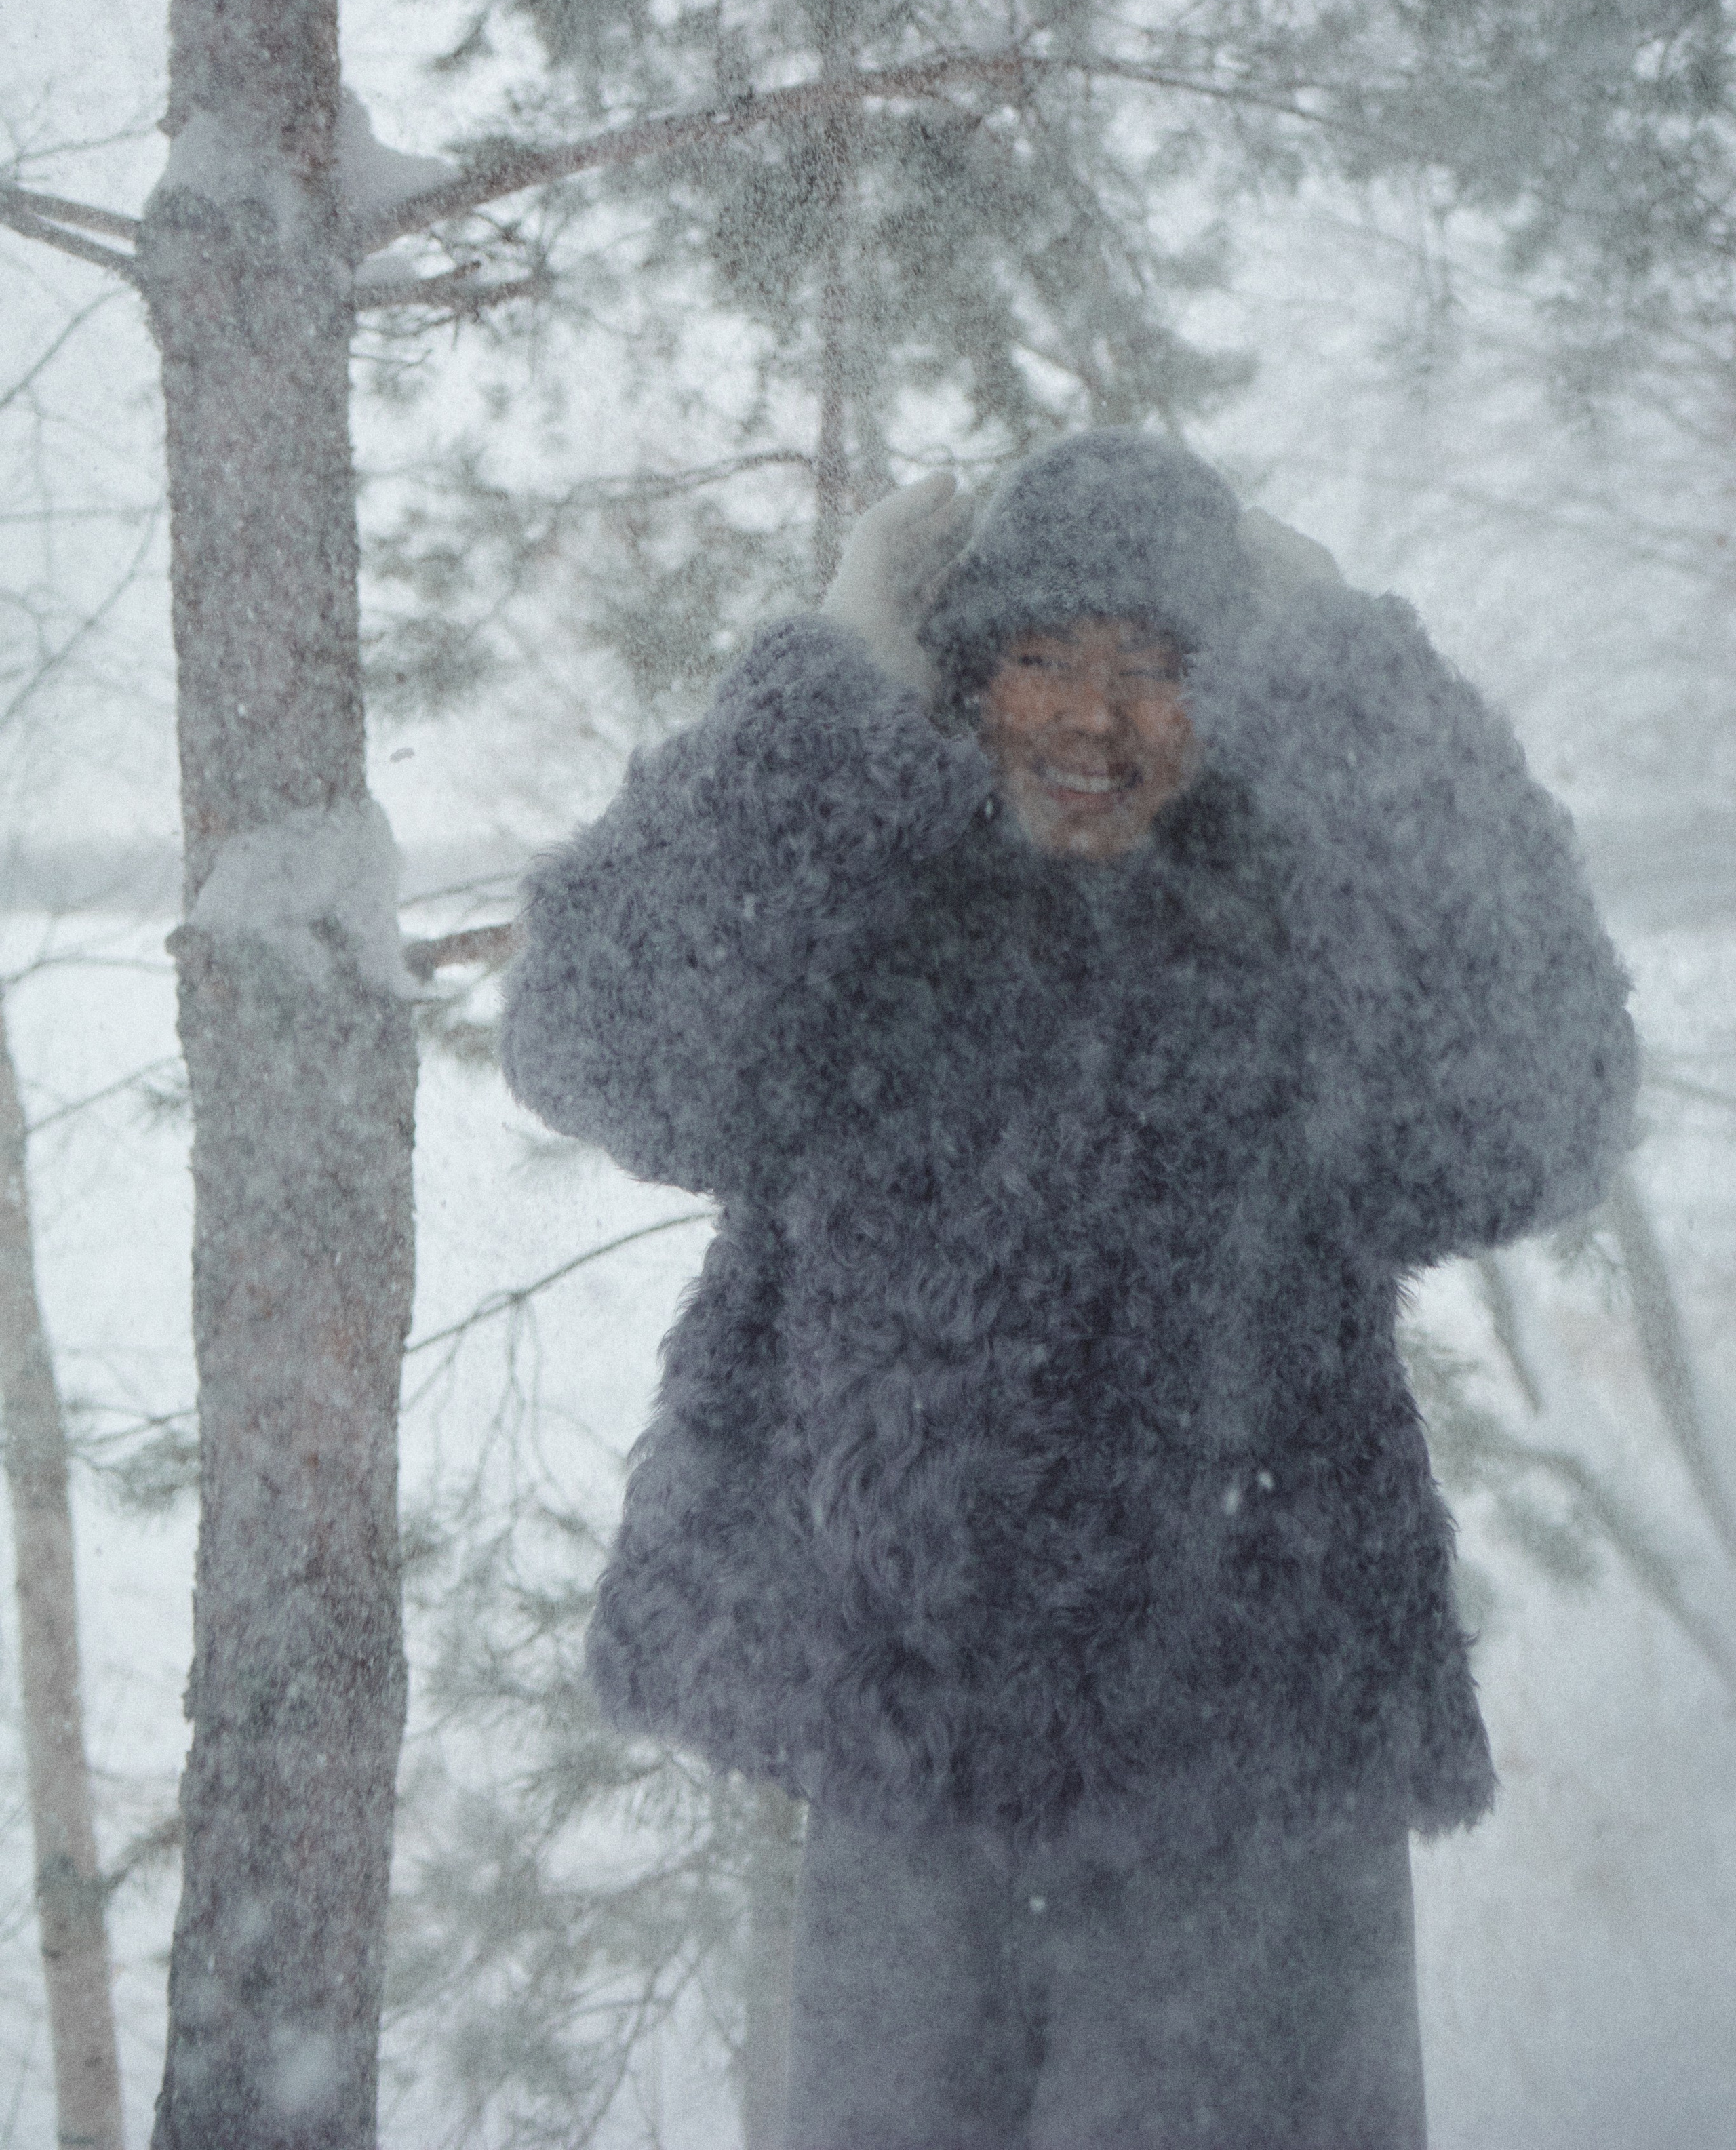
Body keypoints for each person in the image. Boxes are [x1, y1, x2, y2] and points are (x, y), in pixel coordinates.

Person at [502, 433, 1636, 2150]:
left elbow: (1547, 1108)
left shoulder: (1303, 934)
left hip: (1250, 1788)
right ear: (960, 686)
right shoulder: (861, 920)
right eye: (1038, 660)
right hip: (907, 1784)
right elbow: (590, 1037)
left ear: (1228, 696)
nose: (1090, 720)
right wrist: (835, 680)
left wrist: (1360, 678)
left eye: (1150, 669)